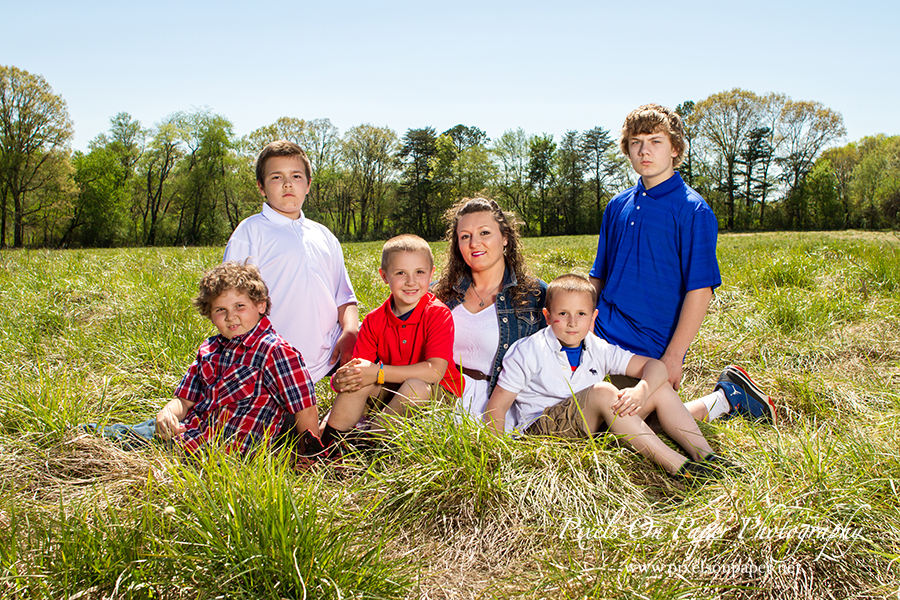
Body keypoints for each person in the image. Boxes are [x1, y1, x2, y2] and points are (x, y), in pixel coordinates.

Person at [589, 104, 776, 423]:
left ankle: (728, 398)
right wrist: (581, 323)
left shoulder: (693, 211)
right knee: (566, 406)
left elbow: (700, 290)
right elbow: (599, 276)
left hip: (648, 348)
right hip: (601, 331)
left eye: (655, 141)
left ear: (675, 148)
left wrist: (673, 358)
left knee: (634, 428)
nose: (644, 150)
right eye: (636, 142)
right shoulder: (617, 205)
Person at [485, 274, 727, 481]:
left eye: (581, 314)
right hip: (544, 433)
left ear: (593, 317)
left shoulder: (597, 346)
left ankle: (705, 455)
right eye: (563, 313)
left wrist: (641, 391)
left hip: (590, 430)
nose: (572, 322)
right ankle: (681, 467)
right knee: (603, 391)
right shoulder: (528, 350)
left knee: (657, 387)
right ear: (547, 317)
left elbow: (656, 367)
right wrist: (500, 460)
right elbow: (497, 407)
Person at [223, 140, 358, 383]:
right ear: (261, 187)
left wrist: (350, 330)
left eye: (296, 176)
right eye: (276, 177)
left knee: (375, 380)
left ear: (307, 185)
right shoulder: (251, 231)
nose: (287, 184)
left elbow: (344, 296)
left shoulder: (324, 235)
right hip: (273, 362)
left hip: (330, 355)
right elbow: (231, 299)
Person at [152, 262, 320, 456]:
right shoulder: (210, 348)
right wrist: (167, 413)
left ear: (260, 305)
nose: (230, 316)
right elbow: (185, 400)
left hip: (229, 453)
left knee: (127, 438)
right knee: (123, 434)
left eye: (239, 306)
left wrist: (308, 457)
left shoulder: (275, 351)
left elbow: (305, 409)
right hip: (188, 434)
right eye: (220, 310)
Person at [320, 235, 461, 449]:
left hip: (435, 392)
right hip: (391, 388)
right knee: (358, 384)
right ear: (384, 276)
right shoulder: (374, 320)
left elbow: (435, 372)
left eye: (420, 272)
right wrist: (340, 382)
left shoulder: (437, 314)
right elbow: (361, 369)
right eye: (400, 273)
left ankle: (370, 443)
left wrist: (378, 373)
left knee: (415, 387)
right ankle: (329, 445)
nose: (411, 281)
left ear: (432, 274)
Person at [432, 197, 546, 430]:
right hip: (443, 401)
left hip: (502, 411)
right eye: (465, 236)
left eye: (484, 233)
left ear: (505, 238)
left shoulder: (535, 294)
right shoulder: (439, 294)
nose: (474, 243)